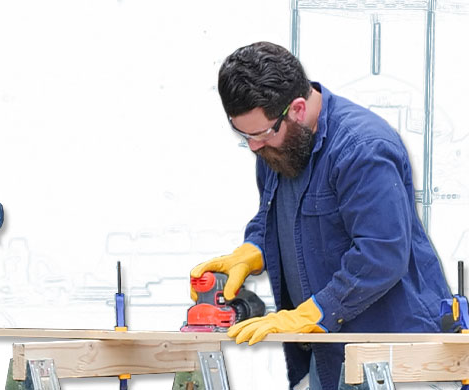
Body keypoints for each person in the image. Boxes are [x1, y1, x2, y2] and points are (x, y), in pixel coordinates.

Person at [189, 41, 453, 390]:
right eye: (244, 135)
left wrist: (312, 312)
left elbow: (382, 254)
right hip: (332, 352)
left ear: (297, 108)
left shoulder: (363, 148)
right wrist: (253, 251)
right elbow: (274, 219)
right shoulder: (279, 146)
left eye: (260, 133)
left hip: (395, 356)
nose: (254, 146)